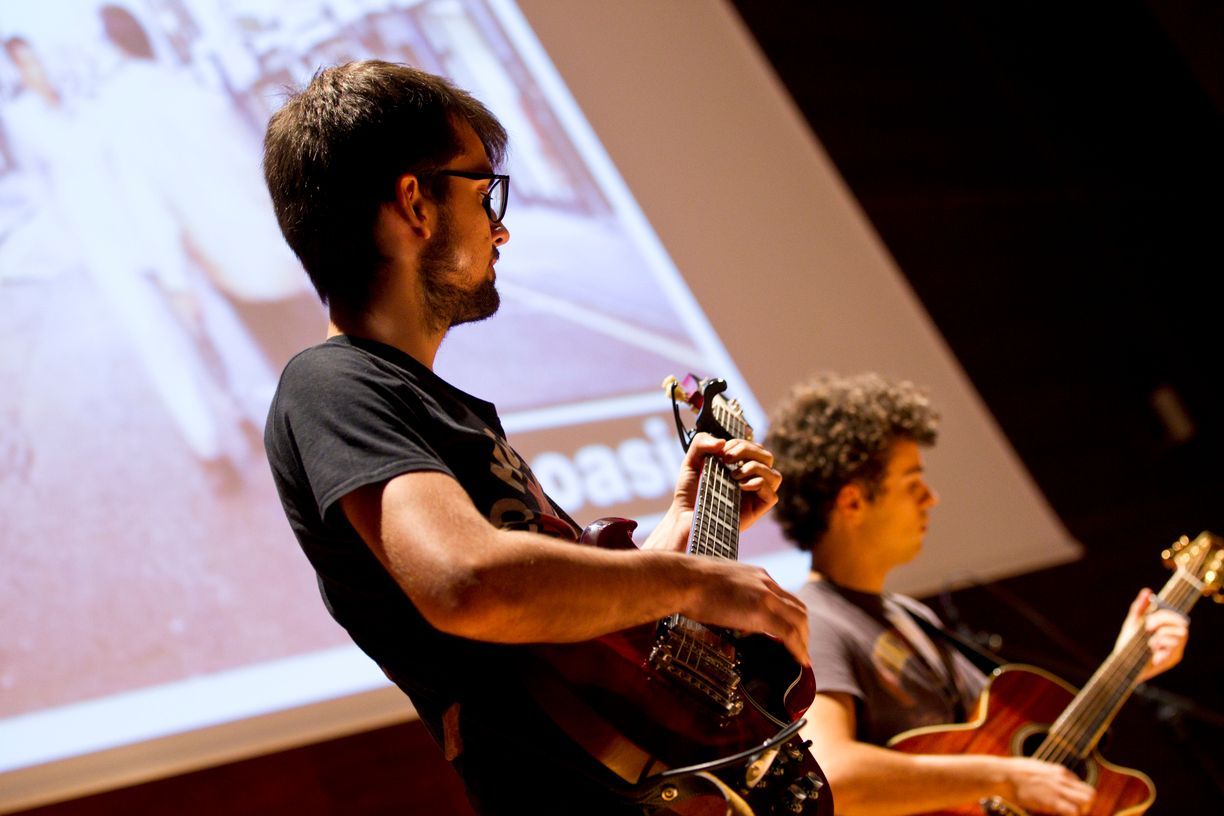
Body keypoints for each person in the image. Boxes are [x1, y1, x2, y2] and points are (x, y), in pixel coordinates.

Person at [260, 60, 806, 815]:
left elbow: (571, 649)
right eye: (486, 194)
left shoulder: (426, 402)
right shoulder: (333, 384)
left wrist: (683, 527)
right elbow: (468, 584)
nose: (501, 225)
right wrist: (696, 582)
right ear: (415, 205)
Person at [764, 372, 1189, 816]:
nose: (931, 498)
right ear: (852, 502)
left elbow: (1021, 753)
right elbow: (833, 775)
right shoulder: (818, 619)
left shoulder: (910, 615)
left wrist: (1130, 665)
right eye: (912, 483)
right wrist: (1003, 778)